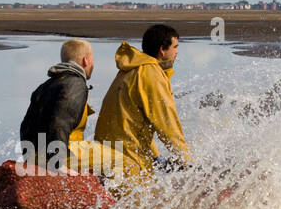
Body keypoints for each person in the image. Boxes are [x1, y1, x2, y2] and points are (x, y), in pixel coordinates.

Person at [93, 24, 191, 178]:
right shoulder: (151, 74)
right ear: (162, 50)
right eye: (175, 47)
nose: (177, 51)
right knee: (140, 200)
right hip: (128, 160)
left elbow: (135, 120)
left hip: (106, 154)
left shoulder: (130, 69)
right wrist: (186, 160)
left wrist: (155, 156)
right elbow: (167, 123)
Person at [18, 38, 117, 174]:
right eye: (92, 60)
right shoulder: (75, 84)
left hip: (37, 154)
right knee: (121, 160)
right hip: (61, 153)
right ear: (85, 61)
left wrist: (30, 158)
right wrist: (58, 163)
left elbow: (25, 126)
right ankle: (117, 195)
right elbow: (60, 122)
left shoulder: (46, 85)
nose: (93, 64)